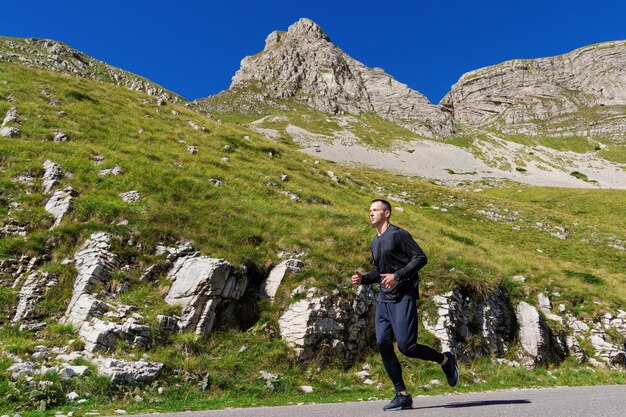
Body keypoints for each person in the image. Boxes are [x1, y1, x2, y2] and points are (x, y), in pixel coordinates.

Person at [351, 199, 459, 411]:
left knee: (407, 347)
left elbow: (420, 258)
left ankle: (445, 360)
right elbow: (380, 272)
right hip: (384, 300)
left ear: (387, 213)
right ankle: (402, 394)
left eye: (375, 210)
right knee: (382, 343)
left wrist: (398, 276)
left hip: (403, 298)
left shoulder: (399, 235)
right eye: (369, 210)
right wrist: (364, 279)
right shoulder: (375, 242)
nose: (371, 213)